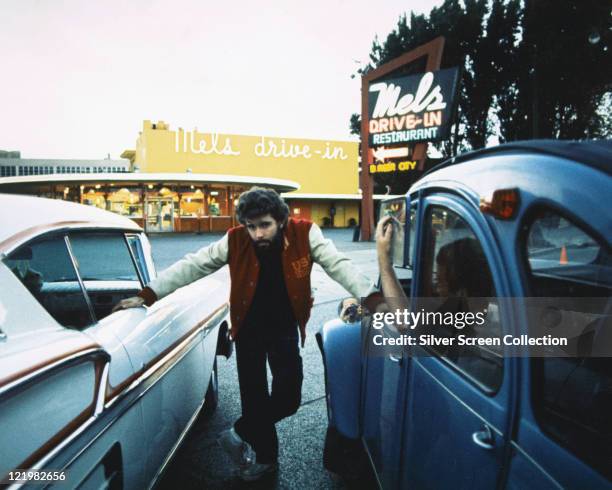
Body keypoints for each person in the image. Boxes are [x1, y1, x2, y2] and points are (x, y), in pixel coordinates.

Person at [114, 186, 379, 481]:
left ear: (280, 220)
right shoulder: (235, 240)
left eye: (264, 225)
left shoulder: (305, 233)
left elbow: (338, 265)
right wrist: (149, 294)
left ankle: (239, 432)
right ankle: (266, 461)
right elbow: (193, 265)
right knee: (254, 398)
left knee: (289, 397)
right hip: (248, 329)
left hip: (284, 328)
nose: (257, 234)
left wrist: (371, 297)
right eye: (250, 226)